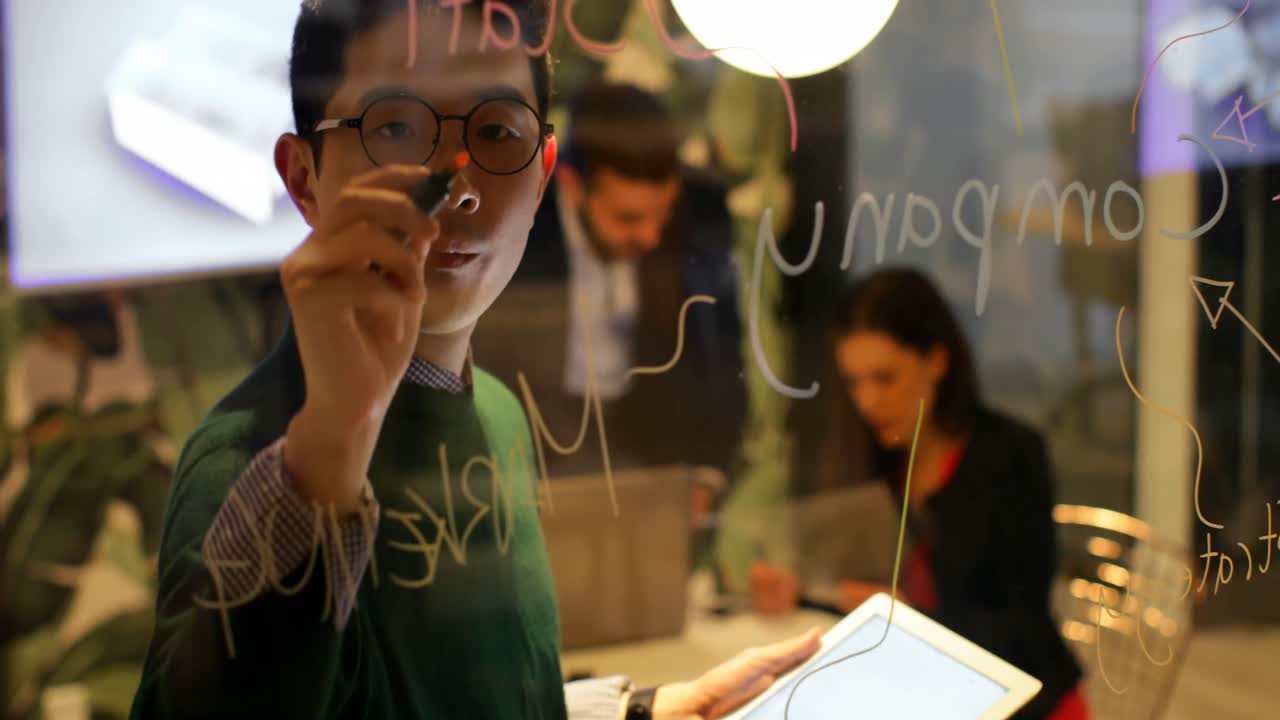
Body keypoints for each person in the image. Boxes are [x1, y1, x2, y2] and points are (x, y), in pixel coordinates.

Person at [129, 2, 819, 718]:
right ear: (304, 178)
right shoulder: (247, 462)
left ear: (545, 170)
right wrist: (329, 448)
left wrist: (642, 709)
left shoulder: (496, 412)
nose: (454, 182)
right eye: (394, 127)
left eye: (496, 131)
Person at [750, 268, 1088, 720]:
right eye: (853, 381)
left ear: (937, 362)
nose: (866, 402)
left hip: (1022, 703)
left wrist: (908, 618)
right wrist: (800, 593)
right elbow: (870, 589)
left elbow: (1022, 627)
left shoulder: (1008, 456)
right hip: (926, 692)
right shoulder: (878, 455)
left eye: (885, 378)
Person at [472, 82, 746, 493]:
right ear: (570, 185)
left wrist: (707, 473)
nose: (652, 236)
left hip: (649, 443)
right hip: (528, 444)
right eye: (629, 218)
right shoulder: (513, 229)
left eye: (663, 214)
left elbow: (721, 364)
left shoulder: (699, 218)